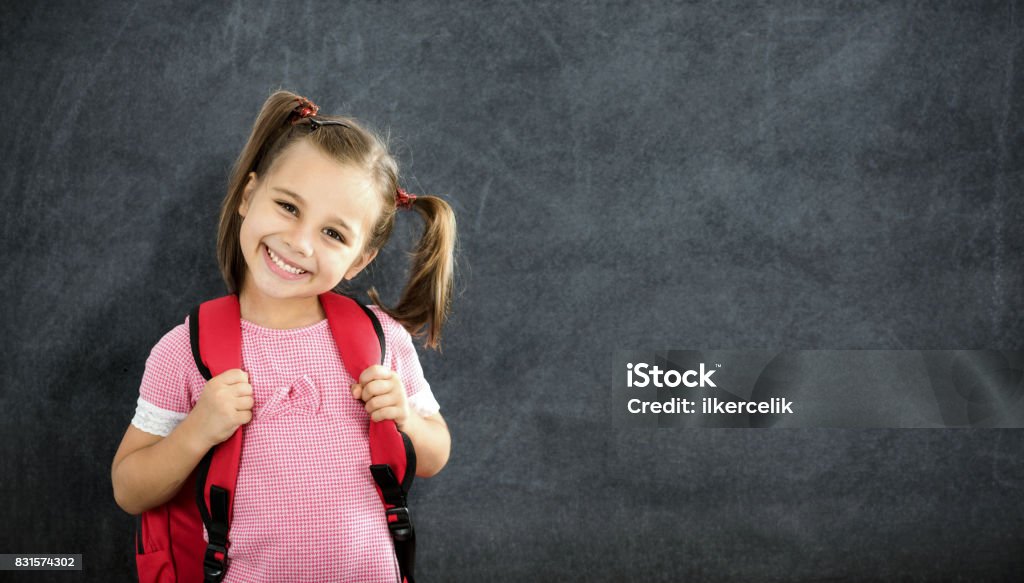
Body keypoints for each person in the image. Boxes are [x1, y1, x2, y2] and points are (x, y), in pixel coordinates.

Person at [110, 89, 455, 582]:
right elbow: (129, 489)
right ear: (249, 196)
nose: (299, 242)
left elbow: (434, 455)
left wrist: (406, 419)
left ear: (359, 260)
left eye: (333, 234)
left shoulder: (382, 340)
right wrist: (197, 431)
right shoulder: (185, 350)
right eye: (289, 207)